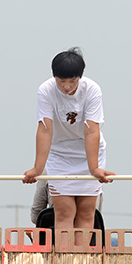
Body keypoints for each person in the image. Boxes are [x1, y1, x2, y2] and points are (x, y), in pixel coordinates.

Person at [23, 47, 114, 230]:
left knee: (87, 211)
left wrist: (94, 168)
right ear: (53, 76)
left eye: (72, 81)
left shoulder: (92, 90)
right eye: (61, 81)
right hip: (60, 154)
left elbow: (91, 131)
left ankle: (81, 258)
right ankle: (65, 257)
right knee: (64, 211)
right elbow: (45, 129)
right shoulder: (46, 90)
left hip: (87, 153)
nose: (66, 87)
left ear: (79, 77)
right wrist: (38, 168)